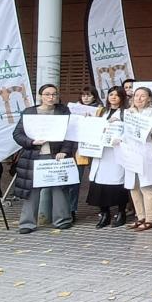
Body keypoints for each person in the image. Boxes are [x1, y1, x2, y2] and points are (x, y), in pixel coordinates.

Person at [12, 84, 76, 234]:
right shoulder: (29, 112)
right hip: (33, 156)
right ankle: (27, 223)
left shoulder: (63, 111)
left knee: (59, 188)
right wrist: (32, 142)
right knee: (32, 190)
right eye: (47, 94)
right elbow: (17, 134)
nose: (51, 97)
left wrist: (65, 151)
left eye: (54, 94)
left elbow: (70, 134)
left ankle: (62, 220)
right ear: (40, 96)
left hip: (55, 156)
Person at [121, 86, 152, 231]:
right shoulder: (128, 112)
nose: (139, 99)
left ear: (149, 98)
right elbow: (125, 131)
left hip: (148, 152)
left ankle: (150, 218)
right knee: (134, 186)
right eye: (136, 96)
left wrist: (136, 118)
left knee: (148, 186)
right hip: (131, 152)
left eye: (142, 96)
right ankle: (140, 216)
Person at [88, 87, 131, 228]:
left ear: (122, 98)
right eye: (111, 94)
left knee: (117, 183)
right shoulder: (101, 112)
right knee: (99, 183)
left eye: (117, 95)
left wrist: (121, 137)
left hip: (116, 153)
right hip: (101, 152)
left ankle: (121, 212)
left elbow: (130, 131)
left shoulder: (127, 113)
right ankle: (104, 213)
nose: (113, 97)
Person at [70, 86, 100, 218]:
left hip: (95, 148)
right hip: (78, 149)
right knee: (75, 180)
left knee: (98, 179)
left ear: (94, 96)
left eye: (89, 95)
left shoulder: (101, 110)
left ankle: (102, 207)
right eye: (83, 95)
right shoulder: (73, 109)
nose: (86, 98)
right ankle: (71, 209)